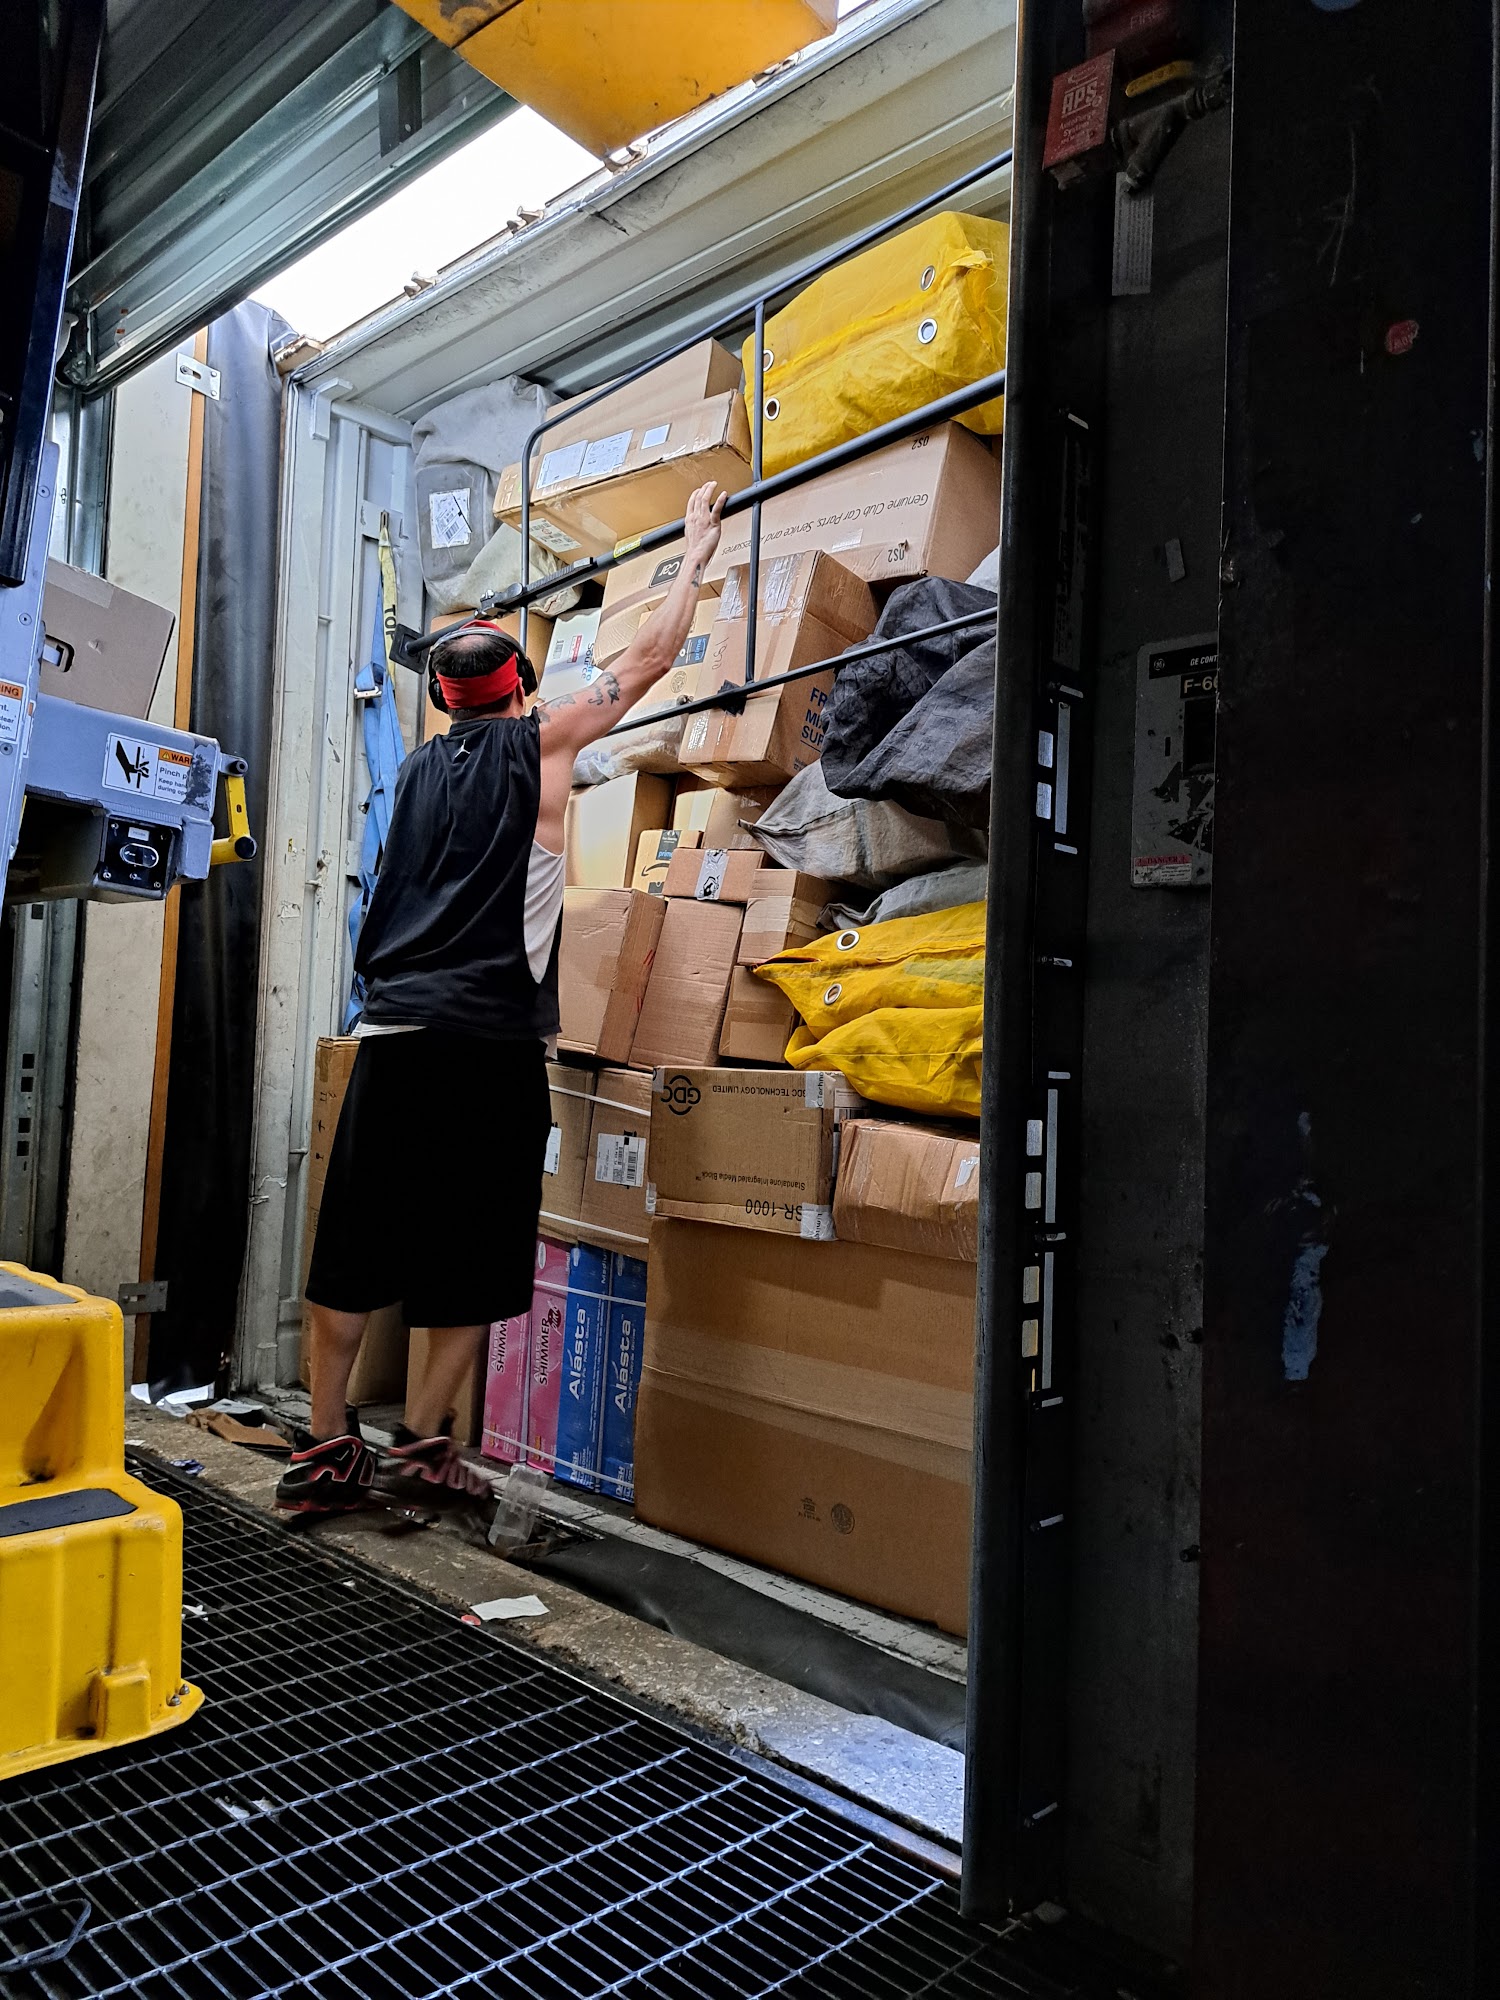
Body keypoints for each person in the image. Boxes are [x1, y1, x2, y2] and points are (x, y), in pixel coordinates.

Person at [276, 480, 728, 1515]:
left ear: (445, 703)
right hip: (485, 1049)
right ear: (523, 688)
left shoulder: (416, 774)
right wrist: (696, 551)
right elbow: (651, 657)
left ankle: (327, 1445)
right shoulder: (544, 745)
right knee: (466, 1256)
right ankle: (421, 1453)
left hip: (393, 1035)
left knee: (350, 1251)